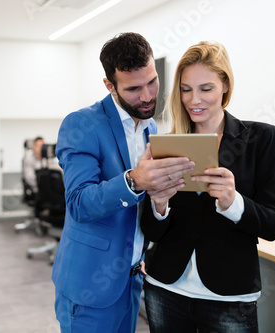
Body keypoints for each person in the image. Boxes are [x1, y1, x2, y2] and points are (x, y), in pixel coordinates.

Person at [52, 32, 194, 332]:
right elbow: (79, 203)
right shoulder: (81, 124)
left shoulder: (150, 126)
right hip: (90, 286)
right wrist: (133, 181)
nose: (146, 96)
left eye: (152, 82)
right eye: (133, 89)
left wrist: (160, 200)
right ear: (110, 85)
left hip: (130, 280)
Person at [141, 41, 275, 332]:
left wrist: (234, 202)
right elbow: (151, 230)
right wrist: (158, 204)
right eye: (186, 89)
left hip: (229, 296)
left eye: (206, 88)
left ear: (225, 87)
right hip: (166, 288)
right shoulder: (168, 144)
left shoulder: (260, 139)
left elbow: (274, 224)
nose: (194, 99)